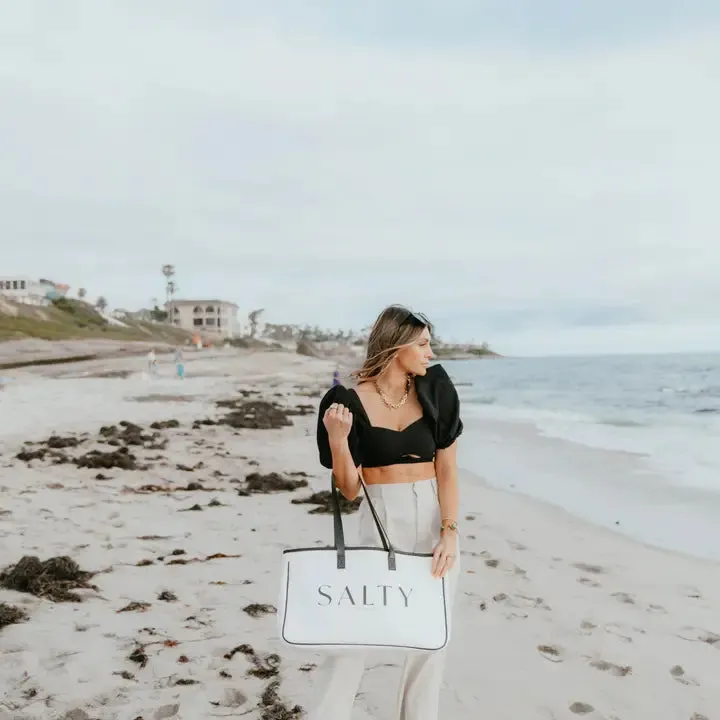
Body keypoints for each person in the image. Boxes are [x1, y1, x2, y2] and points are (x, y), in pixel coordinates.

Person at [310, 304, 463, 720]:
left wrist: (449, 532)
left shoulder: (436, 389)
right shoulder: (344, 401)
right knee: (353, 635)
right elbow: (348, 489)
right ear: (397, 347)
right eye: (423, 344)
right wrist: (338, 439)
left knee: (431, 639)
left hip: (432, 516)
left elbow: (447, 469)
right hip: (377, 519)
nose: (430, 353)